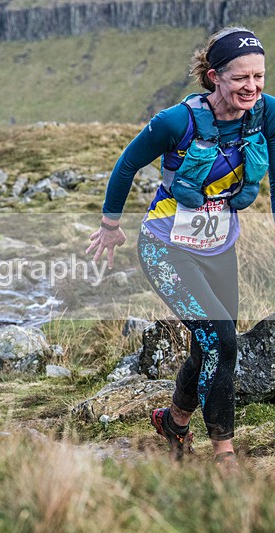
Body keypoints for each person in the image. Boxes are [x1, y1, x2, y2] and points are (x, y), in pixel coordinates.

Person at [88, 27, 275, 470]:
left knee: (206, 345)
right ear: (214, 77)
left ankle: (173, 422)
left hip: (218, 245)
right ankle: (224, 454)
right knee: (223, 341)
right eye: (240, 78)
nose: (252, 86)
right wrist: (110, 225)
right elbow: (127, 164)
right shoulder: (177, 121)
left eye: (259, 76)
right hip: (165, 247)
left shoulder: (265, 113)